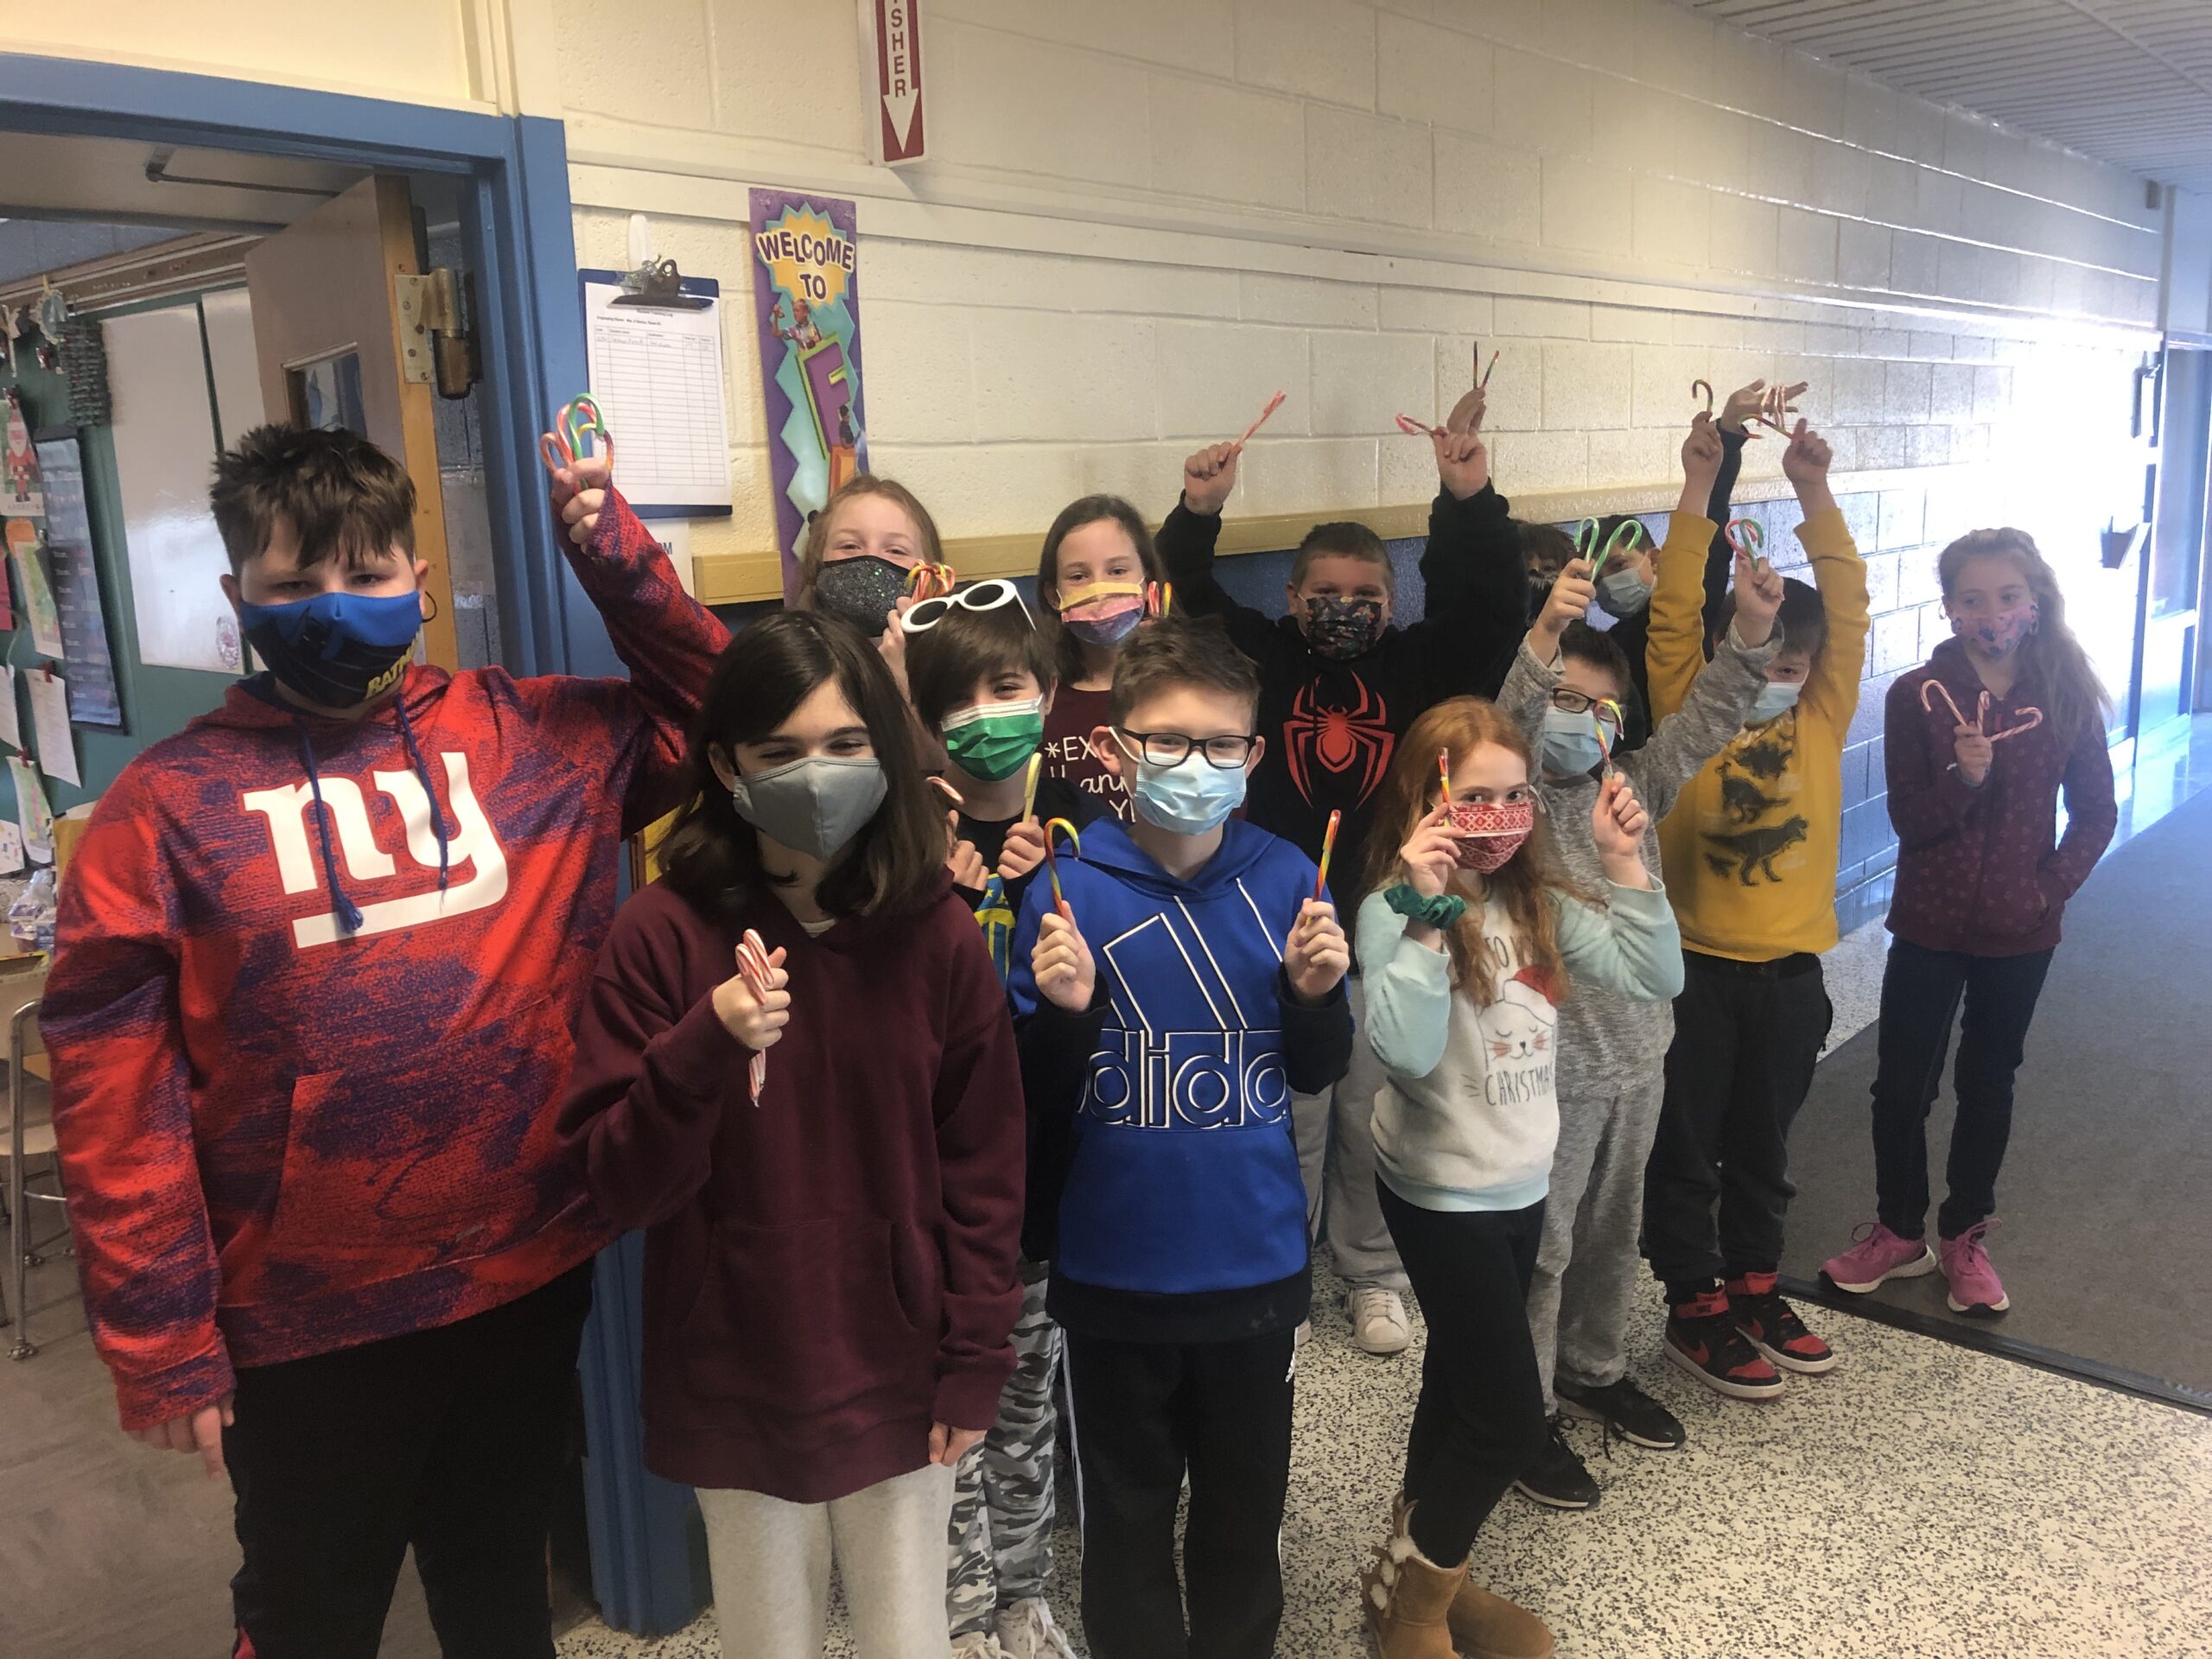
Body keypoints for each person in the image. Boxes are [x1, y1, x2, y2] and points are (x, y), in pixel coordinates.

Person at [41, 423, 727, 1659]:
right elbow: (113, 1101)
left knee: (498, 1585)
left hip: (522, 1273)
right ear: (234, 596)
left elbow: (724, 713)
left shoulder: (539, 738)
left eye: (365, 575)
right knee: (311, 1614)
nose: (333, 607)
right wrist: (163, 1342)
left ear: (417, 581)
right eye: (294, 583)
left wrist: (615, 555)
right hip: (303, 1320)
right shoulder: (160, 811)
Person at [560, 611, 1027, 1659]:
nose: (816, 776)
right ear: (726, 765)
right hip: (737, 1369)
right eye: (781, 753)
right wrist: (703, 1047)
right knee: (772, 1642)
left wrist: (973, 1359)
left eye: (846, 746)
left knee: (911, 1635)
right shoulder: (659, 936)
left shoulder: (936, 934)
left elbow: (985, 1170)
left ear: (887, 756)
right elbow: (615, 1184)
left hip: (900, 1365)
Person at [1007, 614, 1352, 1659]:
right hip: (1114, 1275)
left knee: (1245, 1523)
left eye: (1217, 744)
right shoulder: (1068, 891)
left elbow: (1315, 1069)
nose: (1191, 763)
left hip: (1254, 1271)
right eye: (1164, 739)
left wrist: (1310, 998)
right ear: (1115, 750)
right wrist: (1065, 1018)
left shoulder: (1291, 876)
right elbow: (1034, 1100)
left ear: (1252, 757)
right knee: (1124, 1524)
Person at [1160, 391, 1525, 1357]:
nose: (1344, 609)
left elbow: (1491, 609)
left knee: (1367, 1106)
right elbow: (1188, 592)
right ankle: (1278, 1263)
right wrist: (1199, 510)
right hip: (1271, 921)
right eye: (1323, 592)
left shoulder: (1413, 669)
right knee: (1288, 1112)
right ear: (1289, 598)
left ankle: (1370, 1270)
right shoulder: (1262, 659)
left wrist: (1468, 497)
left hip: (1380, 920)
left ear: (1392, 600)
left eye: (1366, 594)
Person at [1353, 697, 1683, 1659]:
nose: (1497, 818)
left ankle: (1410, 1567)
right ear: (1426, 803)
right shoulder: (1387, 913)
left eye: (1515, 797)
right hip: (1437, 1193)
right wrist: (1422, 918)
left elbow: (1654, 973)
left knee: (1457, 1383)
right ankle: (1413, 1610)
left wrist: (1624, 865)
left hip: (1521, 1184)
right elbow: (1407, 1052)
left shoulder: (1535, 902)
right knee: (1503, 1421)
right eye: (1473, 799)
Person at [1498, 420, 1785, 1510]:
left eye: (1595, 704)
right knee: (1547, 1246)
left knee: (1612, 1239)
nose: (1577, 719)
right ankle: (1522, 1413)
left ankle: (1593, 1373)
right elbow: (1507, 713)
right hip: (1551, 1071)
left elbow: (1708, 715)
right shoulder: (1510, 806)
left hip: (1638, 1062)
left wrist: (1749, 631)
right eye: (1560, 702)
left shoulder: (1634, 786)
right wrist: (1543, 638)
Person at [1821, 528, 2115, 1317]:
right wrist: (1963, 778)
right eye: (1973, 599)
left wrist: (2046, 892)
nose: (1993, 613)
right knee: (1901, 1085)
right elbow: (1910, 820)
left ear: (2035, 600)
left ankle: (1964, 1237)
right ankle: (1897, 1231)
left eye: (2008, 596)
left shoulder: (2066, 696)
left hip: (2022, 934)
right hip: (1929, 924)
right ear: (1948, 609)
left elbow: (2095, 813)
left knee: (1989, 1080)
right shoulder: (1916, 694)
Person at [1640, 416, 1871, 1401]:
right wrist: (1699, 485)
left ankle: (1757, 1284)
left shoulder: (1822, 710)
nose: (1775, 681)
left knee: (1765, 1145)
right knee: (1687, 1146)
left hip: (1789, 975)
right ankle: (1693, 1300)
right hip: (1693, 968)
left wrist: (1812, 492)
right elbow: (1667, 613)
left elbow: (1849, 612)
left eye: (1790, 667)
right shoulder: (1690, 698)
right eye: (1764, 661)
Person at [899, 585, 1086, 1659]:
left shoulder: (1080, 834)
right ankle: (961, 1617)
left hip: (1043, 1192)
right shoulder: (902, 845)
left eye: (1006, 686)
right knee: (948, 1429)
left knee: (1023, 1422)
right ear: (922, 716)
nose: (983, 712)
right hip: (932, 1204)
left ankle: (1022, 1597)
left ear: (1048, 692)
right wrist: (944, 909)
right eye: (953, 697)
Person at [1603, 378, 1805, 712]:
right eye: (1598, 578)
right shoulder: (1611, 646)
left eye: (1618, 565)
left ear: (1656, 561)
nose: (1608, 585)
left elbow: (1700, 557)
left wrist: (1726, 434)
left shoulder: (1693, 613)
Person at [1032, 494, 1166, 823]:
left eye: (1118, 570)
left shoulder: (1182, 688)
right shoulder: (1036, 697)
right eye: (1078, 576)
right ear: (1054, 595)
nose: (1100, 590)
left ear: (1147, 582)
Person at [796, 472, 951, 691]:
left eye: (896, 550)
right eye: (849, 546)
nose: (872, 561)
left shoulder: (956, 664)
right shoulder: (791, 661)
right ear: (818, 559)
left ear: (930, 574)